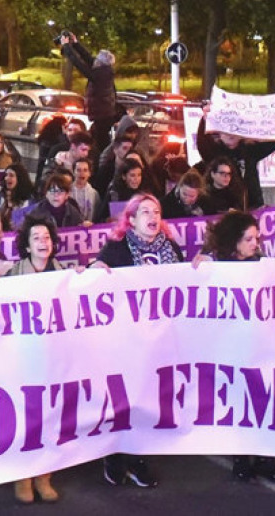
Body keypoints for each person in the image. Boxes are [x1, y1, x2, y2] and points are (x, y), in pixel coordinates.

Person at [191, 212, 275, 484]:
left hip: (260, 344)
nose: (255, 244)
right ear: (234, 241)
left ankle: (267, 458)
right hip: (230, 346)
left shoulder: (261, 263)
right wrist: (203, 264)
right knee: (238, 401)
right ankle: (241, 458)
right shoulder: (216, 264)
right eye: (249, 239)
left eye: (257, 238)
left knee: (265, 398)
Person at [88, 194, 177, 488]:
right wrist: (93, 270)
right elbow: (94, 277)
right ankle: (114, 455)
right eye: (145, 212)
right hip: (124, 337)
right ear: (132, 219)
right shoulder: (117, 247)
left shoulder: (171, 248)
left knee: (147, 397)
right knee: (121, 397)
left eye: (157, 211)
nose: (153, 217)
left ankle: (138, 457)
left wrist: (203, 264)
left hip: (158, 338)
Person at [2, 215, 63, 504]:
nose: (43, 242)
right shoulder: (12, 276)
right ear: (26, 246)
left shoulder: (63, 273)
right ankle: (22, 476)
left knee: (50, 416)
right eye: (36, 237)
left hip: (53, 358)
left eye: (47, 237)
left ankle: (44, 475)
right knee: (24, 417)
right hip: (23, 358)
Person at [196, 115, 275, 210]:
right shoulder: (213, 152)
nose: (231, 134)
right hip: (223, 208)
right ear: (220, 133)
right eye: (226, 130)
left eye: (235, 129)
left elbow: (274, 140)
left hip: (253, 205)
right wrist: (205, 119)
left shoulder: (250, 150)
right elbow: (202, 142)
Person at [59, 32, 118, 158]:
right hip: (103, 114)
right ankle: (99, 159)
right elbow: (88, 59)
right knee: (97, 140)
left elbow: (79, 64)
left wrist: (66, 46)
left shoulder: (100, 74)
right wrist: (75, 44)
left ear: (100, 63)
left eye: (97, 59)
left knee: (101, 143)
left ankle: (102, 162)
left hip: (102, 115)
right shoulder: (104, 71)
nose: (94, 60)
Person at [0, 163, 34, 231]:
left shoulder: (29, 201)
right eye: (6, 175)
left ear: (20, 178)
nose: (6, 178)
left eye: (11, 175)